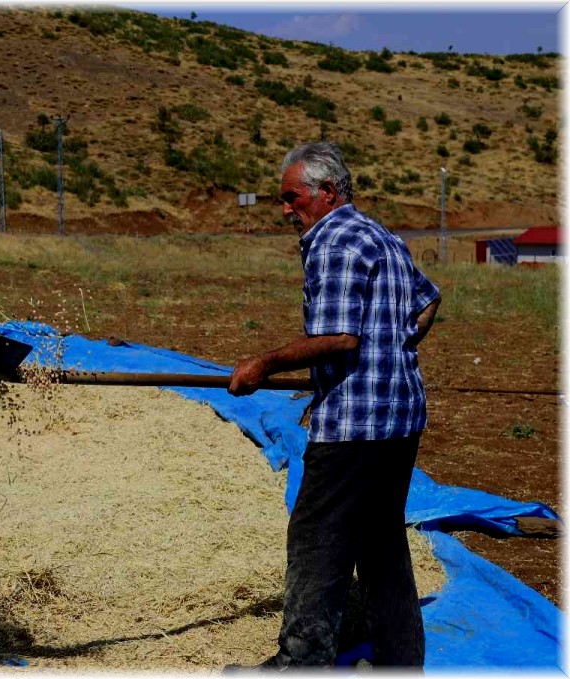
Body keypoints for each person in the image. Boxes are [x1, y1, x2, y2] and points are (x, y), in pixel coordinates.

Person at [226, 141, 441, 669]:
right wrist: (396, 348)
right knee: (382, 542)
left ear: (325, 192)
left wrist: (263, 364)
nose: (285, 209)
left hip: (352, 423)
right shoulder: (382, 236)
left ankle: (303, 663)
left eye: (291, 197)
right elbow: (429, 300)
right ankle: (400, 663)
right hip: (400, 416)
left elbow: (340, 337)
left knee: (317, 539)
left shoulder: (333, 241)